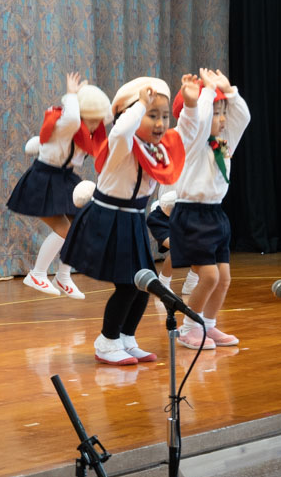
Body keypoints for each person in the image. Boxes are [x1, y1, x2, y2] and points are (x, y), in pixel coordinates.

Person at [61, 75, 200, 365]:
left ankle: (126, 337)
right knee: (127, 285)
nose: (161, 123)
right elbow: (120, 130)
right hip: (108, 218)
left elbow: (185, 135)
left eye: (164, 116)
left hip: (133, 219)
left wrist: (188, 106)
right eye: (152, 114)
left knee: (144, 284)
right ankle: (107, 341)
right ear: (132, 114)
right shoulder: (121, 145)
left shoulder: (157, 150)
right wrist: (139, 106)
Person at [6, 71, 110, 298]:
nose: (94, 125)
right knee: (65, 231)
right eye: (90, 119)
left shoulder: (89, 134)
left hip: (65, 178)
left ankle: (63, 276)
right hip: (44, 179)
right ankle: (37, 273)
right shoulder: (68, 124)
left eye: (97, 120)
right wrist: (71, 95)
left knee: (83, 225)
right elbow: (72, 118)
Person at [169, 69, 251, 349]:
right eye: (216, 112)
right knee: (209, 276)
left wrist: (230, 92)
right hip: (191, 215)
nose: (222, 118)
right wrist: (203, 94)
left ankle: (209, 325)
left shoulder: (224, 143)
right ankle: (190, 328)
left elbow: (243, 118)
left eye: (222, 111)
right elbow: (195, 121)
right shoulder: (189, 141)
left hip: (216, 214)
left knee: (224, 279)